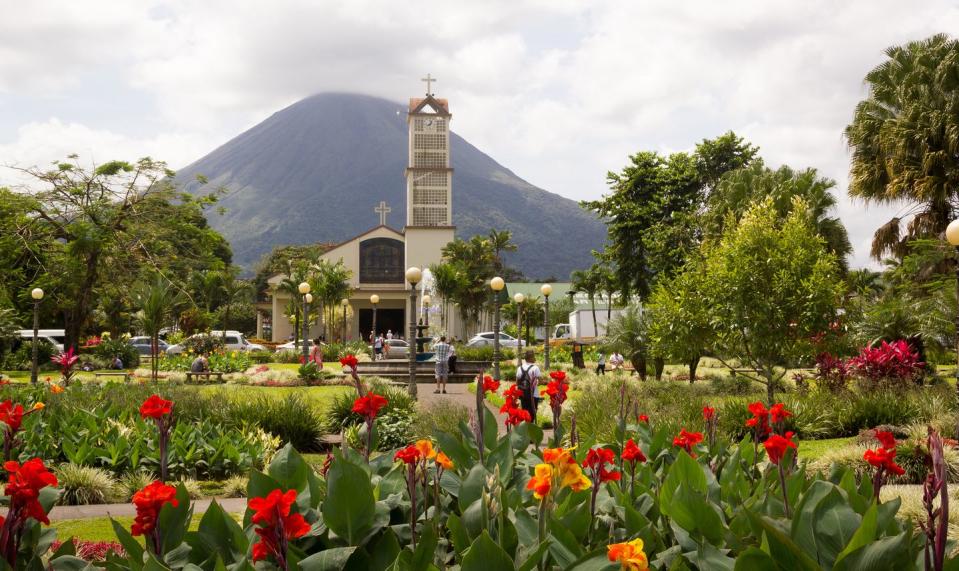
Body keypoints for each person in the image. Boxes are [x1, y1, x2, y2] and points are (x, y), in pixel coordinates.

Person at [516, 350, 541, 422]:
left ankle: (526, 429)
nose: (535, 358)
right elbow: (540, 381)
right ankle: (531, 429)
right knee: (532, 415)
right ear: (530, 358)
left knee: (525, 414)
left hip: (523, 395)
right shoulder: (535, 368)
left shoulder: (519, 368)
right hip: (533, 395)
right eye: (534, 357)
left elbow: (517, 383)